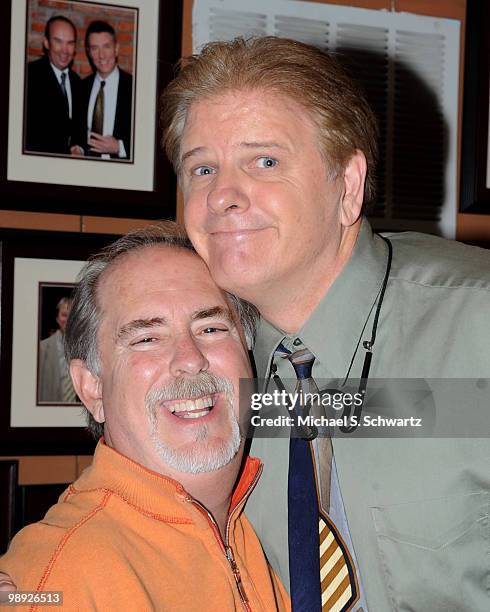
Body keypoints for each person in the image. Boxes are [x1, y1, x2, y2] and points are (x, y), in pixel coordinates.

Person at [160, 37, 490, 611]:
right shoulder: (200, 367)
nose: (223, 196)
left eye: (265, 161)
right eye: (202, 168)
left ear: (348, 185)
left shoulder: (477, 321)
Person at [0, 225, 289, 611]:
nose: (190, 359)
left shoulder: (275, 523)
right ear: (92, 388)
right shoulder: (58, 580)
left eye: (212, 328)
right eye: (147, 339)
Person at [73, 20, 133, 159]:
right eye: (95, 48)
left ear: (116, 49)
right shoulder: (81, 87)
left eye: (106, 47)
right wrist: (78, 150)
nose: (101, 55)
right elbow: (78, 134)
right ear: (89, 52)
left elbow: (147, 138)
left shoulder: (134, 87)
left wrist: (119, 147)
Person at [25, 15, 83, 154]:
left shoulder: (78, 83)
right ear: (46, 43)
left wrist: (79, 149)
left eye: (70, 43)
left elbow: (78, 129)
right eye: (58, 41)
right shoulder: (28, 75)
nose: (64, 50)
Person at [38, 296, 76, 403]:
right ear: (57, 318)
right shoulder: (42, 348)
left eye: (71, 316)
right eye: (64, 315)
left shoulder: (85, 347)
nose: (68, 320)